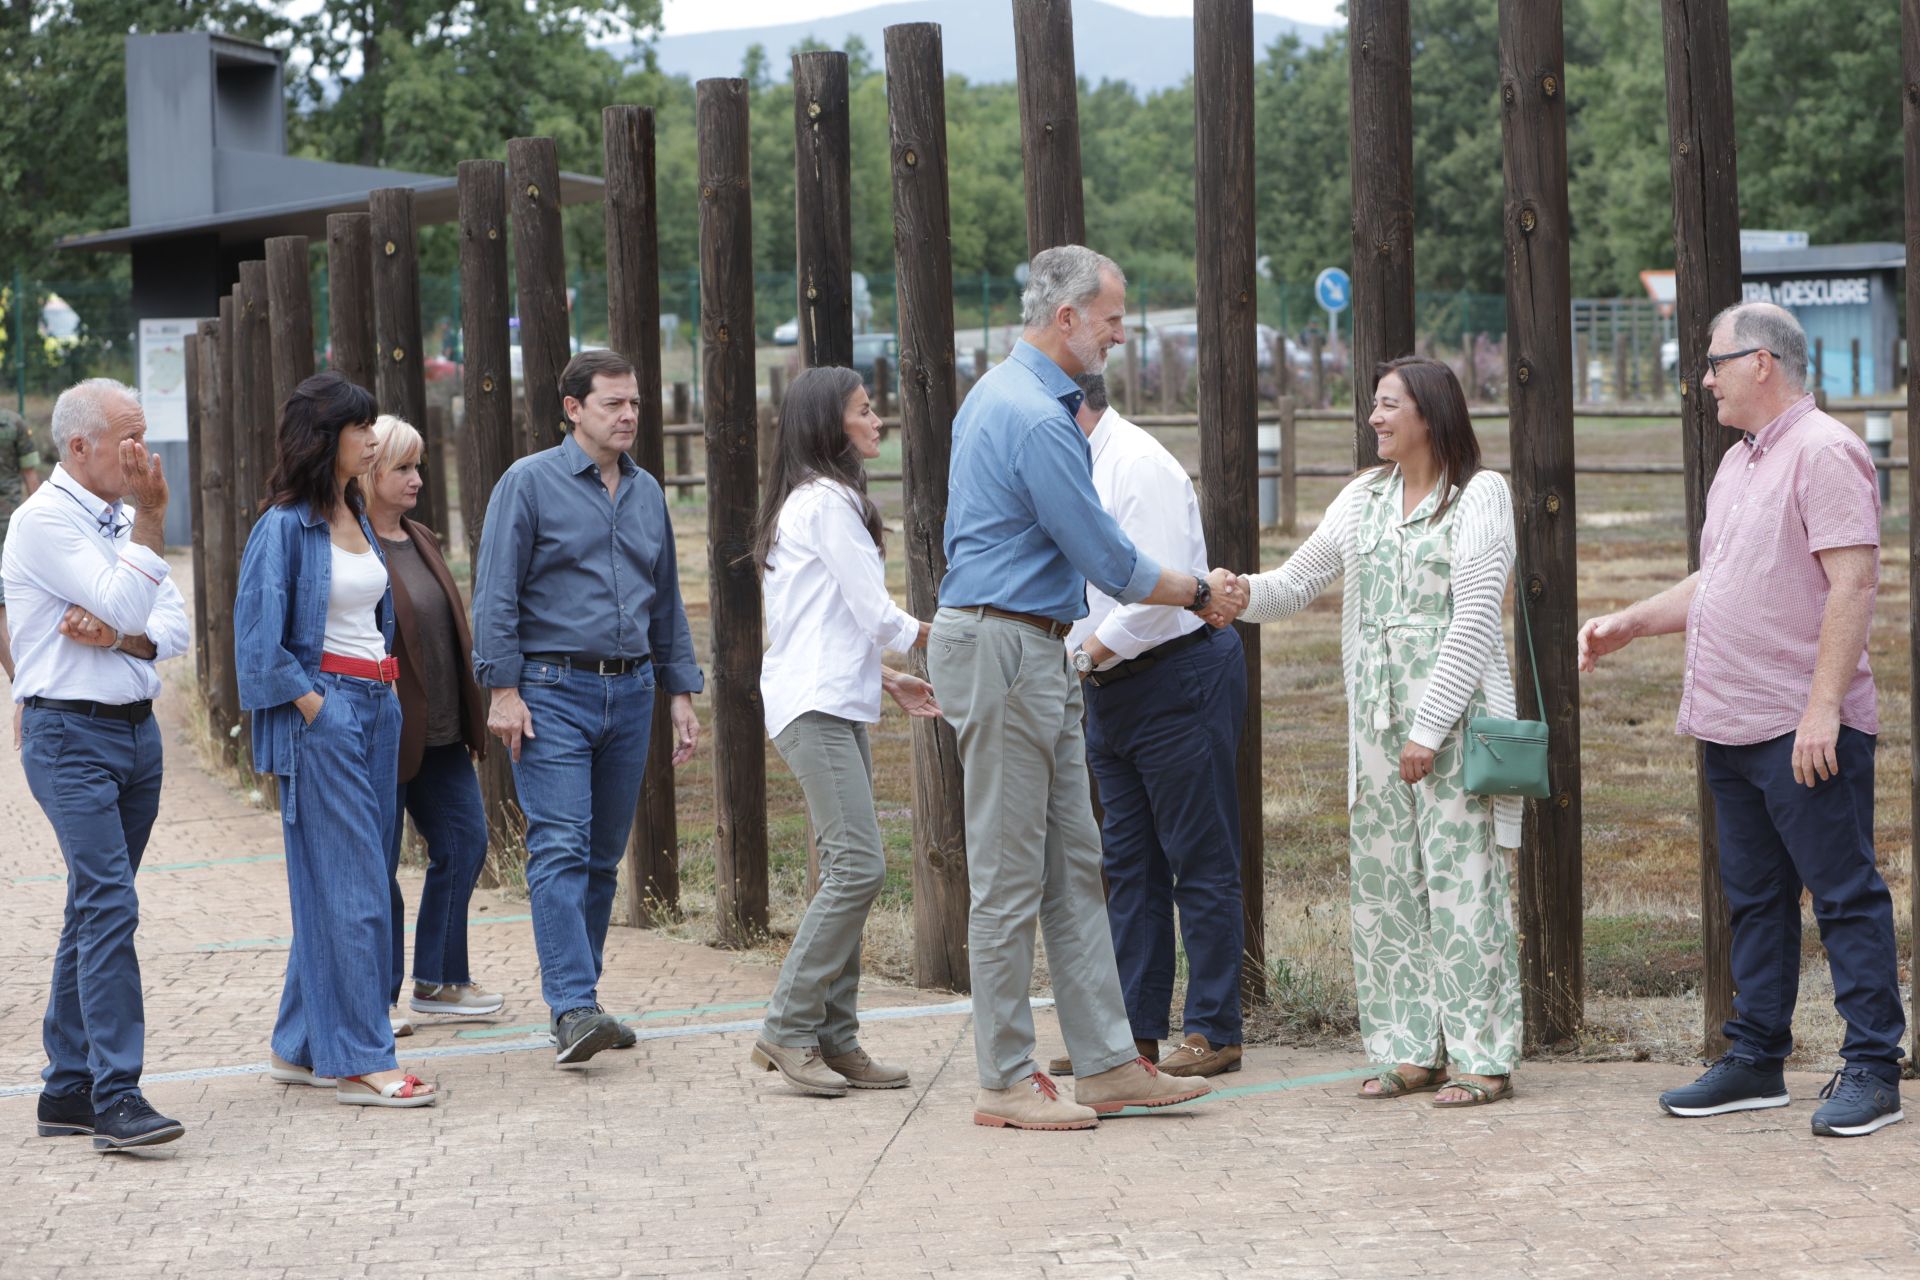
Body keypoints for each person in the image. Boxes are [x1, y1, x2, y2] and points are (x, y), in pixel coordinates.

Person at [928, 244, 1243, 1131]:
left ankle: (1107, 1062)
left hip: (1027, 646)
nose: (1119, 330)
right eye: (1110, 315)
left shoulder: (1006, 396)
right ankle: (1003, 1078)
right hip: (1006, 646)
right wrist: (1197, 591)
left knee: (1074, 864)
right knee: (1005, 874)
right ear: (1064, 318)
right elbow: (1103, 555)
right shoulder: (1036, 417)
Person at [1580, 302, 1904, 1138]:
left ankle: (1873, 1066)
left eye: (1716, 361)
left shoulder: (1826, 451)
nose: (1705, 377)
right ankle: (1756, 1059)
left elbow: (1854, 586)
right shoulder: (1740, 462)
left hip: (1802, 728)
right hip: (1730, 726)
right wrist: (1630, 622)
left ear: (1763, 362)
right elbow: (1718, 580)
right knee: (1757, 901)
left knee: (1843, 897)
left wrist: (1822, 709)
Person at [1236, 356, 1522, 1109]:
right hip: (1374, 726)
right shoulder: (1364, 498)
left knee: (1467, 891)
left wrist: (1428, 730)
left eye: (1388, 404)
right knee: (1388, 891)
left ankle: (1482, 1057)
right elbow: (1295, 583)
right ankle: (1407, 1050)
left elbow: (1473, 619)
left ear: (1430, 412)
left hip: (1454, 727)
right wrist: (1226, 593)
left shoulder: (1481, 497)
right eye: (1374, 404)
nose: (1374, 418)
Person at [471, 349, 703, 1065]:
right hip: (551, 693)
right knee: (561, 846)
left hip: (631, 692)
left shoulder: (647, 494)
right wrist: (503, 691)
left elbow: (663, 599)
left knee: (603, 859)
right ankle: (572, 1006)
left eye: (634, 402)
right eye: (613, 403)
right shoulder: (528, 484)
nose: (629, 415)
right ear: (573, 409)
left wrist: (681, 695)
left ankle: (582, 1003)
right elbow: (496, 592)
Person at [234, 372, 439, 1109]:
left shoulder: (353, 509)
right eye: (359, 428)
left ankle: (299, 1044)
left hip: (375, 706)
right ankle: (358, 1058)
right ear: (326, 439)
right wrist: (321, 707)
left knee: (346, 883)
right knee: (357, 892)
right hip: (328, 712)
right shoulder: (284, 528)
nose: (372, 437)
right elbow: (258, 649)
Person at [745, 367, 941, 1097]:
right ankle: (788, 1029)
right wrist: (954, 639)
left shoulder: (818, 500)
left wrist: (886, 678)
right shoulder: (826, 502)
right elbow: (877, 613)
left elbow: (815, 619)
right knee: (860, 868)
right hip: (817, 707)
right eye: (864, 411)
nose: (877, 419)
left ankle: (837, 1038)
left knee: (845, 870)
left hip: (833, 697)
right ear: (832, 426)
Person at [1046, 371, 1247, 1080]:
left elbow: (1163, 596)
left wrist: (1083, 657)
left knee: (1198, 857)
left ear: (1072, 404)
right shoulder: (1081, 465)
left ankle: (1214, 1028)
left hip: (1174, 673)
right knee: (1129, 866)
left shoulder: (1137, 466)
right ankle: (1134, 1035)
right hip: (1113, 688)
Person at [7, 379, 190, 1149]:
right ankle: (118, 1096)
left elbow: (170, 628)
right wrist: (149, 527)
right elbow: (125, 601)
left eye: (143, 435)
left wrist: (122, 636)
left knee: (94, 905)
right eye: (127, 438)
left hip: (135, 731)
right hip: (69, 736)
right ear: (77, 446)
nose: (142, 455)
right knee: (111, 906)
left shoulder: (117, 517)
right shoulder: (44, 521)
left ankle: (66, 1090)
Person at [363, 415, 499, 1024]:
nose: (417, 478)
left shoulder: (420, 538)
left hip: (441, 732)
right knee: (378, 864)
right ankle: (376, 996)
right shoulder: (350, 545)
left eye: (418, 465)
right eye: (403, 467)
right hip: (384, 733)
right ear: (368, 472)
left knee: (464, 842)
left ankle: (441, 980)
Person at [0, 404, 44, 692]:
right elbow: (30, 475)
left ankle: (19, 676)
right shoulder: (13, 422)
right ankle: (19, 676)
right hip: (9, 524)